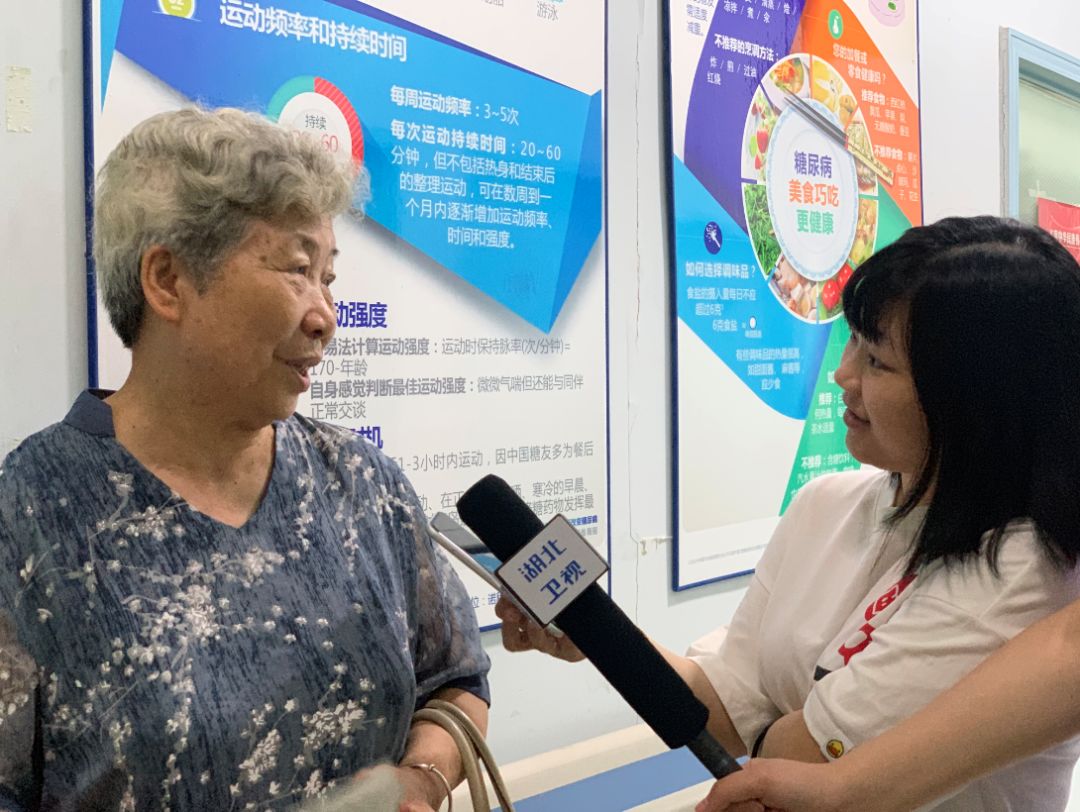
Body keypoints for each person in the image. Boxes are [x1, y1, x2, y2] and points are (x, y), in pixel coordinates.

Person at [497, 216, 1080, 811]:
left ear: (970, 397)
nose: (843, 374)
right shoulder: (826, 504)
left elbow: (800, 762)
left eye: (877, 362)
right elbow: (725, 708)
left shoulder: (1022, 570)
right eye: (853, 341)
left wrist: (773, 731)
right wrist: (598, 634)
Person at [0, 106, 490, 811]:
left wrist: (422, 779)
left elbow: (455, 680)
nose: (325, 316)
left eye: (329, 277)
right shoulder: (30, 517)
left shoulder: (364, 486)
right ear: (167, 280)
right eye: (297, 269)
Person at [696, 596, 1080, 811]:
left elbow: (1068, 644)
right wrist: (837, 788)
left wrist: (837, 787)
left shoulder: (1016, 576)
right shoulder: (837, 503)